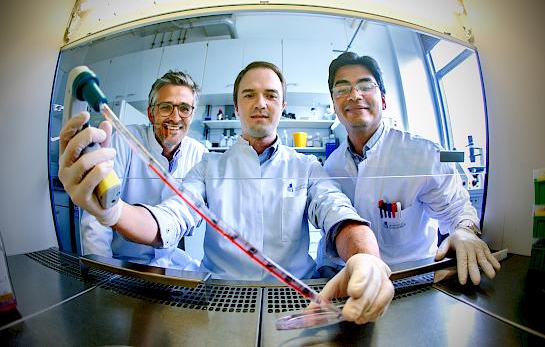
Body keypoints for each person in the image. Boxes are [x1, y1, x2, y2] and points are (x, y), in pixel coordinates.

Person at [59, 61, 394, 324]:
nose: (260, 103)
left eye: (271, 95)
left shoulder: (306, 166)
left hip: (297, 299)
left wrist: (364, 256)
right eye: (249, 94)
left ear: (282, 105)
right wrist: (113, 213)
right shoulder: (209, 166)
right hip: (221, 302)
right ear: (236, 107)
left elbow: (339, 214)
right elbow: (170, 218)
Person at [316, 52, 501, 285]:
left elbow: (457, 211)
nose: (354, 95)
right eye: (342, 89)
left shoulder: (423, 153)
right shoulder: (333, 164)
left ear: (383, 100)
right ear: (334, 104)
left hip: (415, 280)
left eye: (365, 86)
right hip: (356, 283)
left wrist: (465, 232)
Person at [80, 70, 207, 269]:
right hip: (120, 261)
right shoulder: (124, 141)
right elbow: (96, 217)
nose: (175, 118)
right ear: (150, 113)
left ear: (192, 114)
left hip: (171, 263)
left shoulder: (199, 154)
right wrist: (102, 271)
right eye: (166, 107)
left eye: (184, 108)